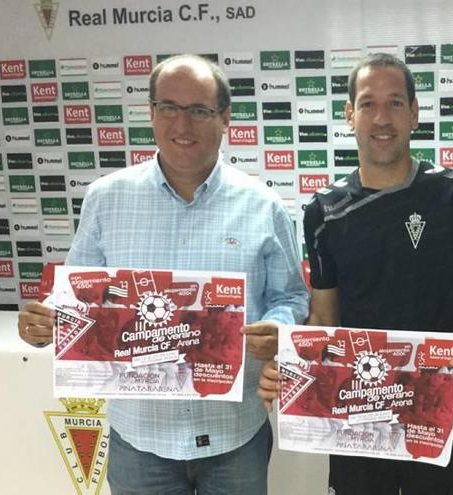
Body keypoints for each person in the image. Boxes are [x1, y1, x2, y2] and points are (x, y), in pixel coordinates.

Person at [17, 54, 309, 494]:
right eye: (169, 107)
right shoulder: (106, 199)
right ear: (151, 112)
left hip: (233, 433)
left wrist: (280, 328)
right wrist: (46, 323)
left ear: (225, 118)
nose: (182, 124)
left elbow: (290, 297)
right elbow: (75, 297)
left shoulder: (263, 204)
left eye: (199, 110)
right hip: (139, 437)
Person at [258, 53, 453, 494]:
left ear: (414, 113)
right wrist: (289, 364)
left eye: (394, 103)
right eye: (368, 104)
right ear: (349, 115)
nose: (381, 117)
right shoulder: (324, 211)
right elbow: (324, 321)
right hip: (358, 407)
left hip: (442, 406)